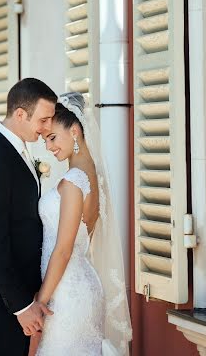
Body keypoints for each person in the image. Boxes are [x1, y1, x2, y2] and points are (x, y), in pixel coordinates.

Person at [33, 92, 132, 356]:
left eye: (52, 137)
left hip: (66, 294)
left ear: (75, 131)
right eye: (44, 140)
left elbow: (64, 249)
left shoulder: (75, 180)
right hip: (78, 285)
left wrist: (39, 302)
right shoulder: (91, 175)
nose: (49, 147)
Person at [0, 78, 57, 356]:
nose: (47, 129)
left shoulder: (14, 151)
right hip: (1, 296)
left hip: (18, 289)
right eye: (43, 120)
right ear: (20, 114)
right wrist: (21, 305)